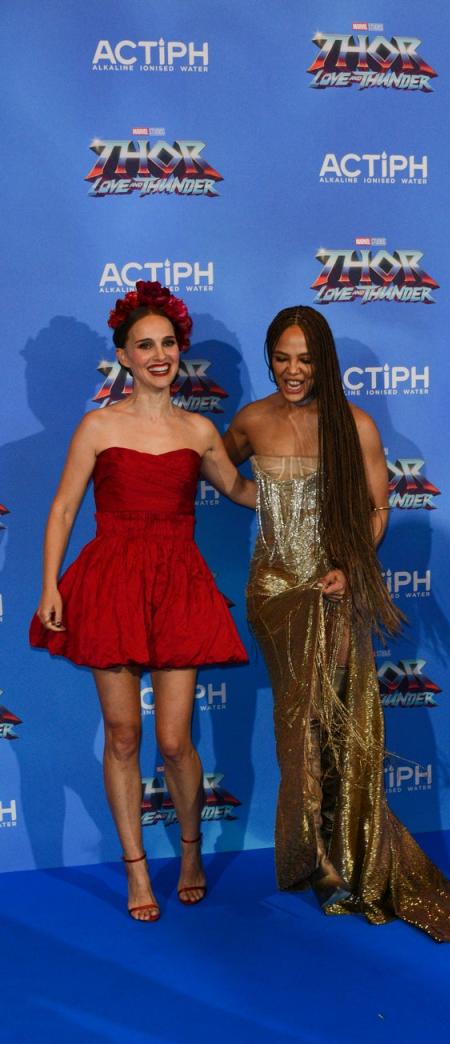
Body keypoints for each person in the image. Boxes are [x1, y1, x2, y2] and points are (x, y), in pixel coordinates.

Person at [224, 306, 450, 942]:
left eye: (305, 359)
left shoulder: (354, 425)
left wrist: (351, 564)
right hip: (273, 593)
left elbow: (377, 509)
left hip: (335, 591)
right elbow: (227, 475)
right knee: (298, 729)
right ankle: (316, 857)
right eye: (281, 358)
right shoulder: (251, 420)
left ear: (324, 361)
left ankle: (354, 856)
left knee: (344, 721)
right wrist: (269, 499)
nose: (292, 370)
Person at [31, 281, 256, 921]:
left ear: (178, 351)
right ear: (124, 357)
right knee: (124, 735)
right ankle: (136, 869)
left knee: (176, 741)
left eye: (168, 344)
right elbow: (64, 508)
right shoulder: (98, 425)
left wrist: (306, 490)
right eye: (144, 345)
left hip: (177, 581)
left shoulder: (199, 429)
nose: (159, 354)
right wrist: (50, 584)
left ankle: (189, 851)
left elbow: (239, 491)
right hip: (110, 579)